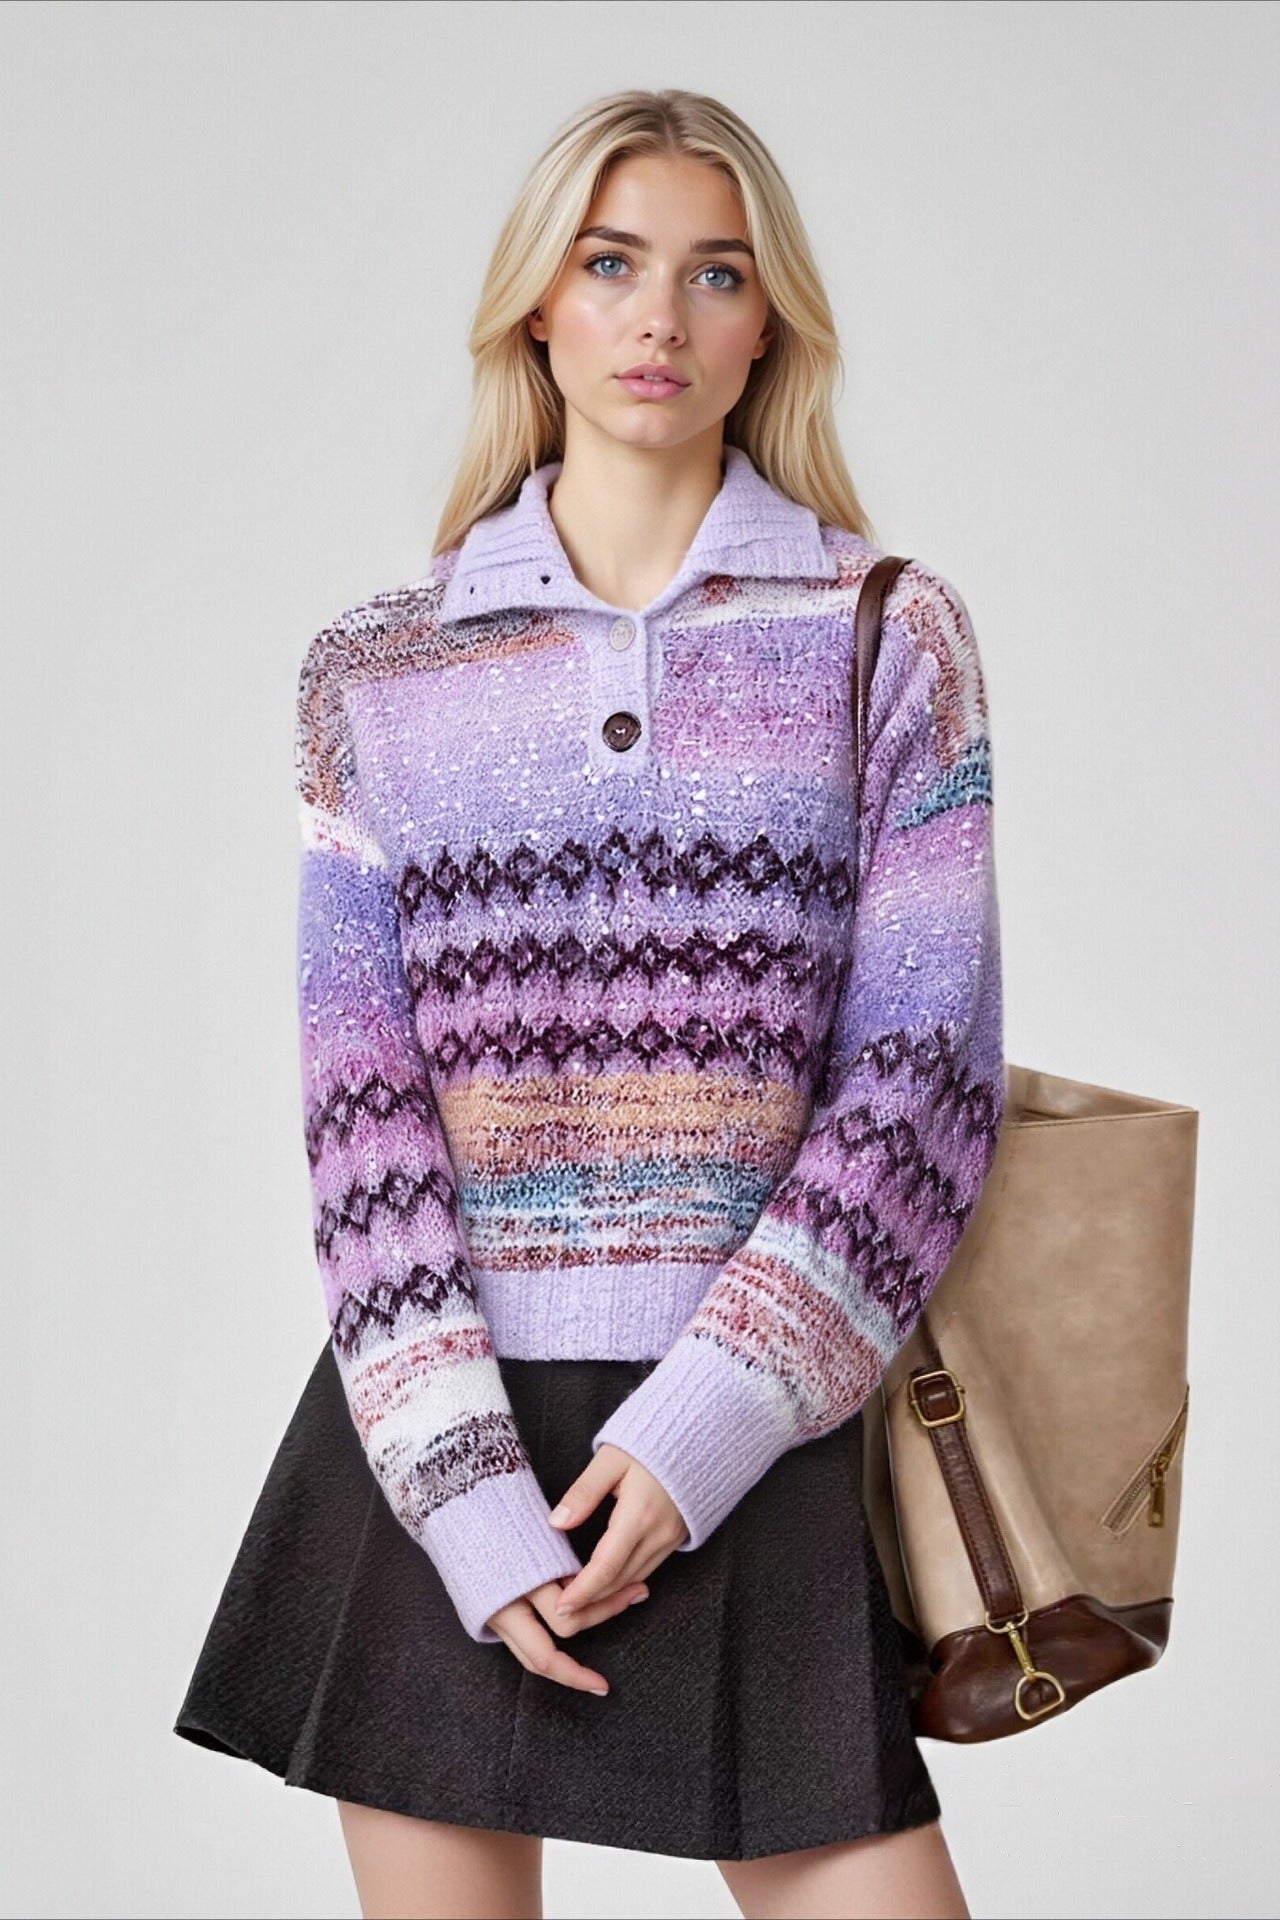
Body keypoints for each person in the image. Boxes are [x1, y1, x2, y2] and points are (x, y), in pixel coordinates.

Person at [173, 86, 1003, 1920]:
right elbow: (363, 1126)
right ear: (535, 306)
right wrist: (463, 1489)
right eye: (611, 263)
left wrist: (706, 1423)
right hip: (438, 1460)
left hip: (758, 1425)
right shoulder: (378, 673)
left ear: (767, 323)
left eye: (717, 274)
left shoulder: (885, 630)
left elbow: (923, 1086)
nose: (659, 318)